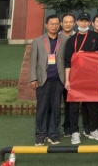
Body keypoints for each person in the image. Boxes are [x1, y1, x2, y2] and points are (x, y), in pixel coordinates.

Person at [64, 12, 98, 144]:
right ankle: (75, 132)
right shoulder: (71, 40)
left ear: (89, 23)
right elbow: (67, 61)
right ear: (77, 22)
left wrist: (90, 54)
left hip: (91, 76)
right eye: (81, 21)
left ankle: (92, 129)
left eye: (86, 21)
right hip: (75, 77)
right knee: (74, 106)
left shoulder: (95, 36)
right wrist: (67, 80)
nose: (83, 23)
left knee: (92, 104)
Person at [30, 15, 65, 146]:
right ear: (46, 25)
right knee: (42, 109)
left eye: (56, 24)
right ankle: (40, 135)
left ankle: (53, 134)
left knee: (56, 109)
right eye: (52, 24)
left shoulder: (64, 40)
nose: (54, 26)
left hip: (58, 80)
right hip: (43, 80)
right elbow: (33, 61)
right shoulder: (38, 41)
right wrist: (33, 78)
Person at [59, 13, 75, 137]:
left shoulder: (77, 37)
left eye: (70, 22)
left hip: (72, 76)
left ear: (74, 24)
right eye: (66, 22)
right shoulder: (55, 36)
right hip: (57, 75)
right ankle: (51, 129)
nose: (68, 24)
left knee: (69, 103)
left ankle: (68, 126)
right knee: (54, 103)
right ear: (61, 24)